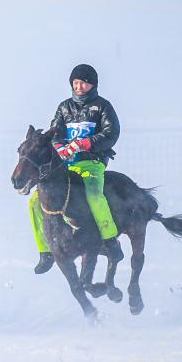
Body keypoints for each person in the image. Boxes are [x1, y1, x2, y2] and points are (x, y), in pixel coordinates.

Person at [30, 63, 123, 274]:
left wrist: (85, 143)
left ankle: (110, 241)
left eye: (83, 83)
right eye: (75, 82)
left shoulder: (102, 107)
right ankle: (45, 252)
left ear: (93, 85)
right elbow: (54, 133)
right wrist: (60, 146)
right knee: (35, 201)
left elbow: (111, 133)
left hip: (92, 163)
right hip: (66, 166)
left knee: (93, 195)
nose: (79, 87)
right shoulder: (64, 107)